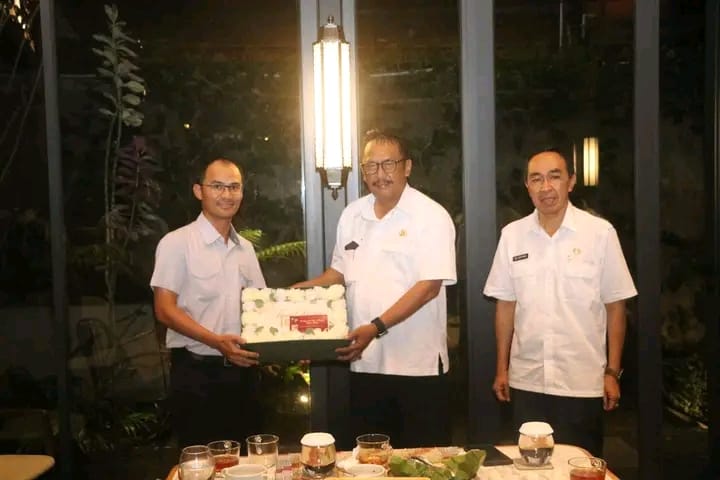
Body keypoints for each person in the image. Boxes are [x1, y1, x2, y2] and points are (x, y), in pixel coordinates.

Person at [294, 130, 457, 448]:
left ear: (407, 167)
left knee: (423, 460)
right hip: (365, 362)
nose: (379, 174)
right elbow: (338, 274)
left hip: (417, 366)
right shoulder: (352, 215)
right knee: (370, 461)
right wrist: (296, 295)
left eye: (388, 164)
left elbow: (429, 287)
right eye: (371, 166)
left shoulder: (431, 216)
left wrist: (376, 327)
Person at [483, 149, 637, 457]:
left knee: (580, 466)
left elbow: (615, 306)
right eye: (536, 179)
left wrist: (612, 372)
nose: (546, 187)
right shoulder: (512, 235)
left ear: (571, 182)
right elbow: (505, 306)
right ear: (527, 186)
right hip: (527, 380)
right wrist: (502, 369)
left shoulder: (600, 233)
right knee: (529, 468)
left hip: (582, 381)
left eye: (554, 177)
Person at [150, 158, 266, 447]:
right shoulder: (176, 243)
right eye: (217, 186)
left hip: (244, 374)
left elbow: (262, 308)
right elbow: (164, 309)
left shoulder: (246, 249)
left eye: (234, 187)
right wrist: (216, 341)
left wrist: (295, 341)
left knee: (249, 462)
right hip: (197, 375)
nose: (227, 195)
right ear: (199, 191)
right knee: (201, 462)